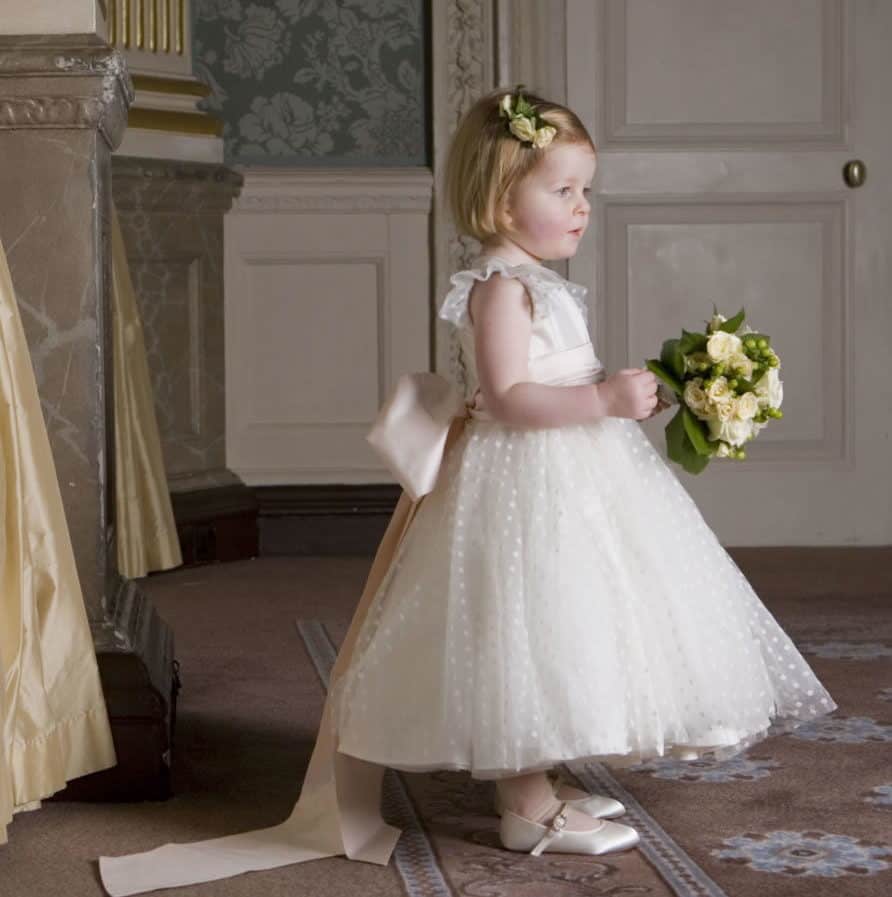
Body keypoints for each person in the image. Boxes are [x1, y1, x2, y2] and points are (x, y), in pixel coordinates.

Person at [98, 86, 836, 893]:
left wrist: (635, 394)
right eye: (562, 190)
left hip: (578, 474)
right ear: (499, 195)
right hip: (523, 481)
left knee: (571, 623)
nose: (582, 208)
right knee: (519, 628)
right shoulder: (500, 290)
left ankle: (539, 781)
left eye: (585, 189)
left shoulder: (537, 284)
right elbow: (510, 397)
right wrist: (602, 401)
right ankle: (524, 803)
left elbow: (550, 381)